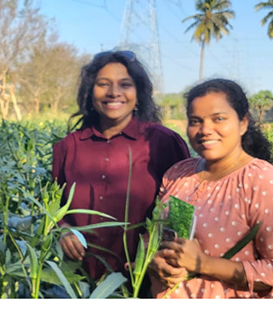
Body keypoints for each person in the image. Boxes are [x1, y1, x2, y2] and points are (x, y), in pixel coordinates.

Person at [149, 79, 273, 298]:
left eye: (218, 119)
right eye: (195, 121)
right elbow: (153, 237)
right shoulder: (178, 174)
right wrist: (152, 262)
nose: (205, 130)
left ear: (243, 123)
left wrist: (204, 264)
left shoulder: (262, 182)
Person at [52, 51, 189, 283]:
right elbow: (53, 205)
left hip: (145, 281)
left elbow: (183, 209)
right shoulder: (68, 146)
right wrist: (62, 228)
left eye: (125, 85)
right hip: (79, 282)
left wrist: (168, 261)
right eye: (103, 84)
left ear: (139, 93)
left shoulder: (163, 142)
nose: (114, 92)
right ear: (89, 92)